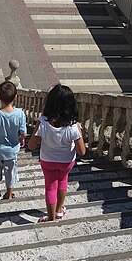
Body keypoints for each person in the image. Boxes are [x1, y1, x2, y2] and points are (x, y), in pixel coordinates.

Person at [28, 84, 86, 222]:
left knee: (50, 187)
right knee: (62, 182)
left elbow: (31, 146)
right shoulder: (73, 126)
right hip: (66, 162)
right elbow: (82, 151)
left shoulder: (43, 122)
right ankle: (59, 210)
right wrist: (79, 130)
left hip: (47, 160)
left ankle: (51, 217)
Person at [0, 81, 27, 200]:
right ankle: (9, 193)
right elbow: (23, 133)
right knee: (11, 173)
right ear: (16, 97)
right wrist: (20, 140)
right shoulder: (20, 114)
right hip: (11, 151)